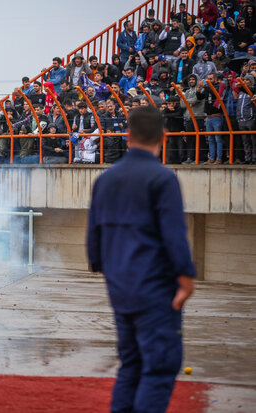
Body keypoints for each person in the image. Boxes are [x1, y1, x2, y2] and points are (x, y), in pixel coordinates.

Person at [87, 106, 196, 413]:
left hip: (120, 287)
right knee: (159, 367)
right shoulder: (162, 178)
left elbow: (93, 242)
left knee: (131, 364)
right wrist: (186, 279)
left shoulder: (105, 179)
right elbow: (174, 235)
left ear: (127, 135)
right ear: (164, 136)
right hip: (155, 287)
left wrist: (110, 273)